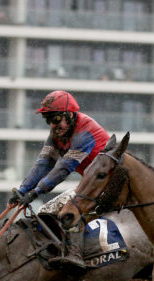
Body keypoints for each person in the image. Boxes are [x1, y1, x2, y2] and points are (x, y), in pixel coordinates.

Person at [10, 90, 110, 269]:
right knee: (45, 210)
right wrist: (22, 190)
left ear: (70, 115)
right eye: (48, 120)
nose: (53, 125)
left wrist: (35, 192)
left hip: (109, 183)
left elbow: (63, 169)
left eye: (56, 119)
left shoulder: (85, 132)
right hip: (91, 185)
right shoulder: (56, 134)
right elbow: (44, 164)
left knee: (67, 208)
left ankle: (76, 254)